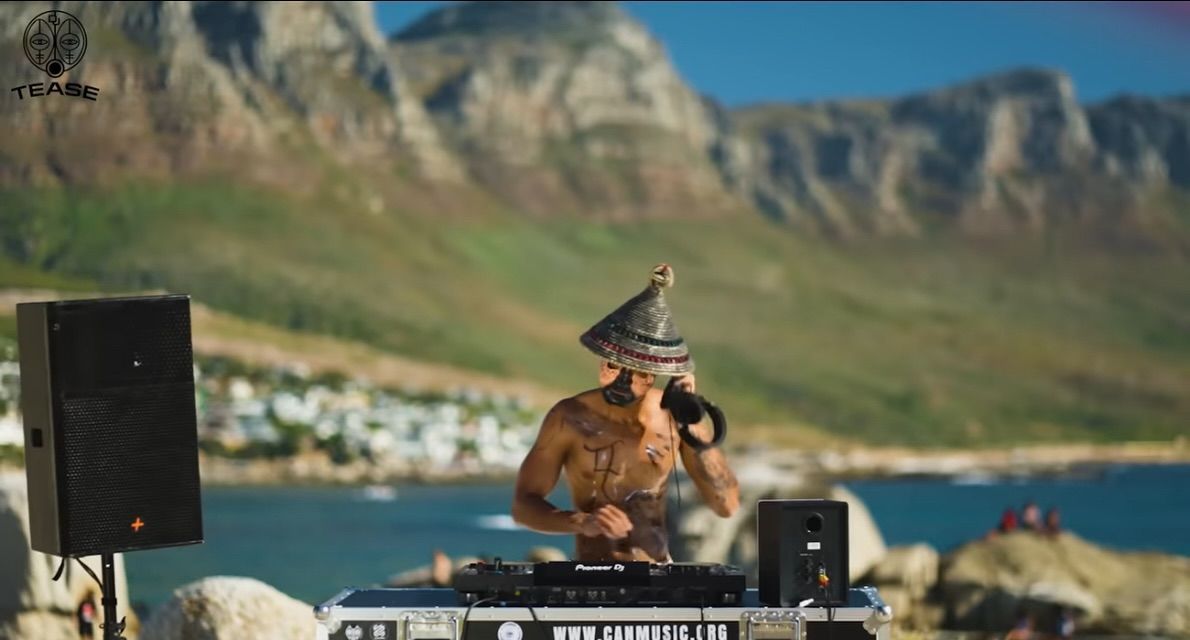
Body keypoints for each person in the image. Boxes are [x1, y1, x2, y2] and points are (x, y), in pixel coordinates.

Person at [511, 264, 740, 562]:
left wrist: (690, 418)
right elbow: (523, 506)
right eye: (612, 366)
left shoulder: (671, 419)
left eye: (637, 373)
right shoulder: (569, 419)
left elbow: (727, 505)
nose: (620, 380)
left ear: (655, 375)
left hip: (658, 575)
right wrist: (581, 521)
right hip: (592, 577)